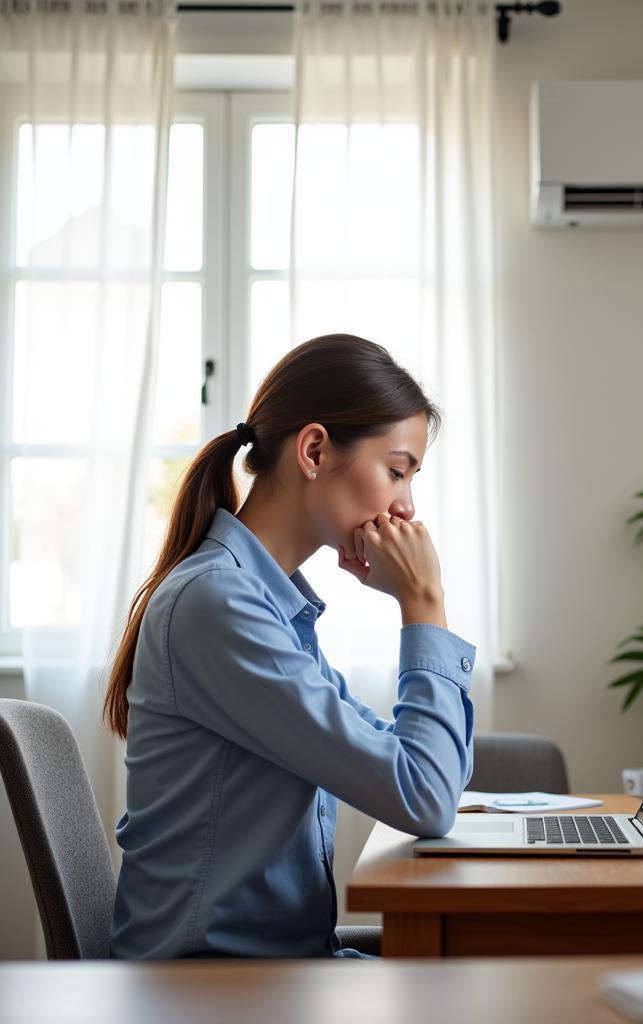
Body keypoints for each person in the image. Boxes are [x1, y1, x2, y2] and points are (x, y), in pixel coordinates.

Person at [103, 334, 475, 959]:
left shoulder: (265, 603)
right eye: (397, 471)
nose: (407, 507)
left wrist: (424, 612)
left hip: (275, 969)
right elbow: (427, 797)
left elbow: (432, 778)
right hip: (213, 990)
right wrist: (423, 604)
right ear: (313, 450)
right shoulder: (220, 606)